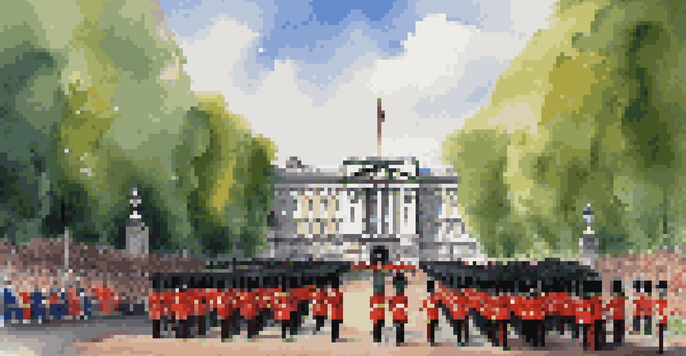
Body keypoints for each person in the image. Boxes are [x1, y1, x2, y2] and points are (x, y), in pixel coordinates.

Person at [389, 273, 408, 345]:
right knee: (400, 326)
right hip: (400, 311)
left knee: (399, 326)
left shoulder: (398, 296)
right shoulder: (402, 296)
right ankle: (400, 339)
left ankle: (399, 339)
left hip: (398, 311)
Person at [656, 280, 668, 355]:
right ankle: (661, 349)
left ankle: (661, 350)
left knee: (661, 335)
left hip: (661, 316)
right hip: (663, 316)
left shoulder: (660, 296)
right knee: (662, 335)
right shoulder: (665, 296)